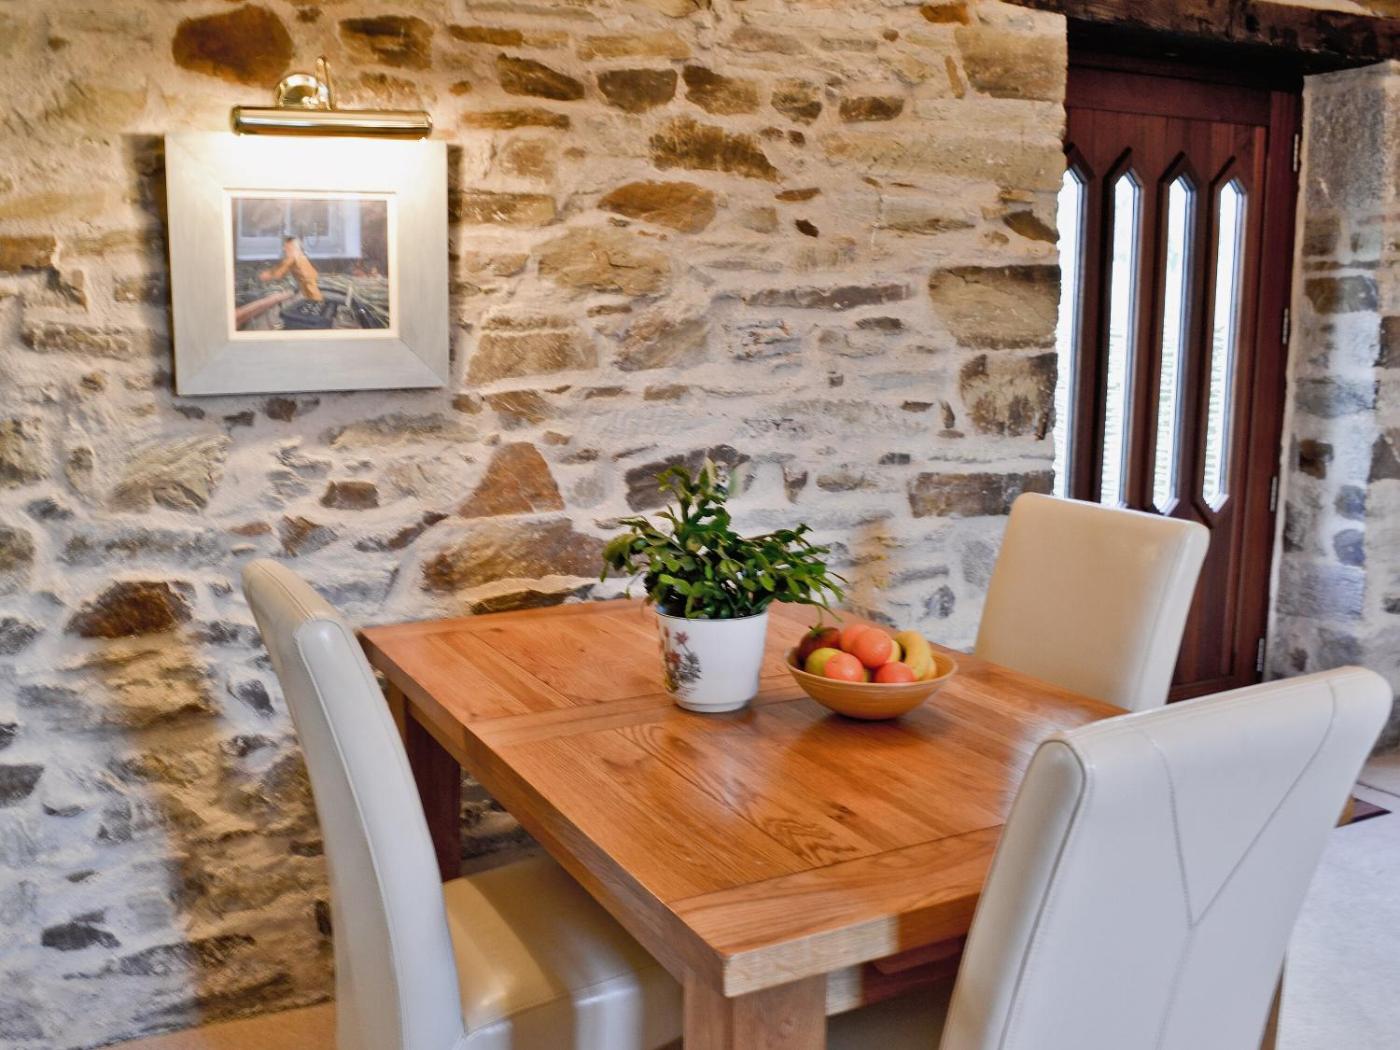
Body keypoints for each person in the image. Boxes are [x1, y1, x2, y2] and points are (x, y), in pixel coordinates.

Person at [258, 236, 323, 302]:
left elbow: (279, 274)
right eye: (285, 247)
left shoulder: (293, 257)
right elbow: (280, 267)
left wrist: (268, 275)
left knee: (267, 301)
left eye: (287, 248)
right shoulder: (299, 256)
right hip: (305, 285)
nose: (284, 249)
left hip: (307, 287)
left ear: (295, 248)